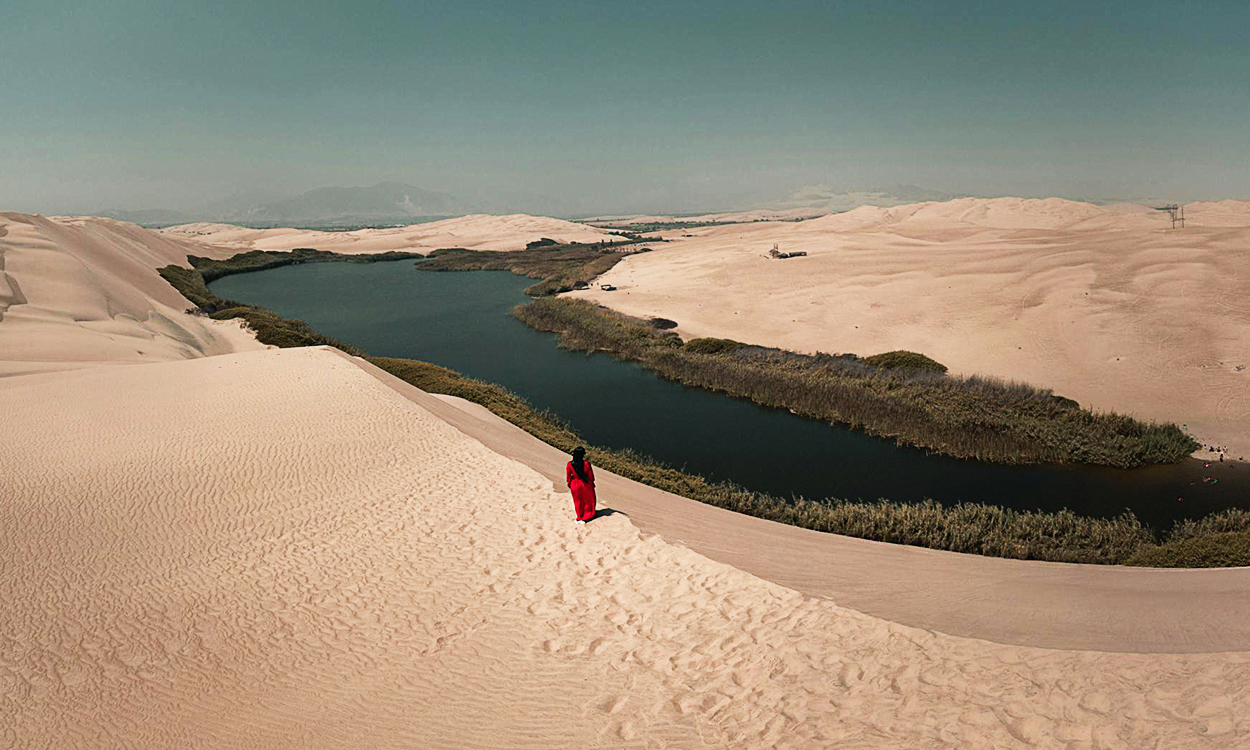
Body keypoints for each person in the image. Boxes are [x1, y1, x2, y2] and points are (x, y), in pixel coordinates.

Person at [565, 446, 597, 524]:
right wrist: (591, 482)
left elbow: (568, 476)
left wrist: (569, 483)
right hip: (585, 484)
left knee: (578, 501)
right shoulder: (586, 464)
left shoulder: (569, 464)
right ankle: (586, 516)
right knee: (588, 500)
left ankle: (579, 517)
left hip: (574, 484)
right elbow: (591, 476)